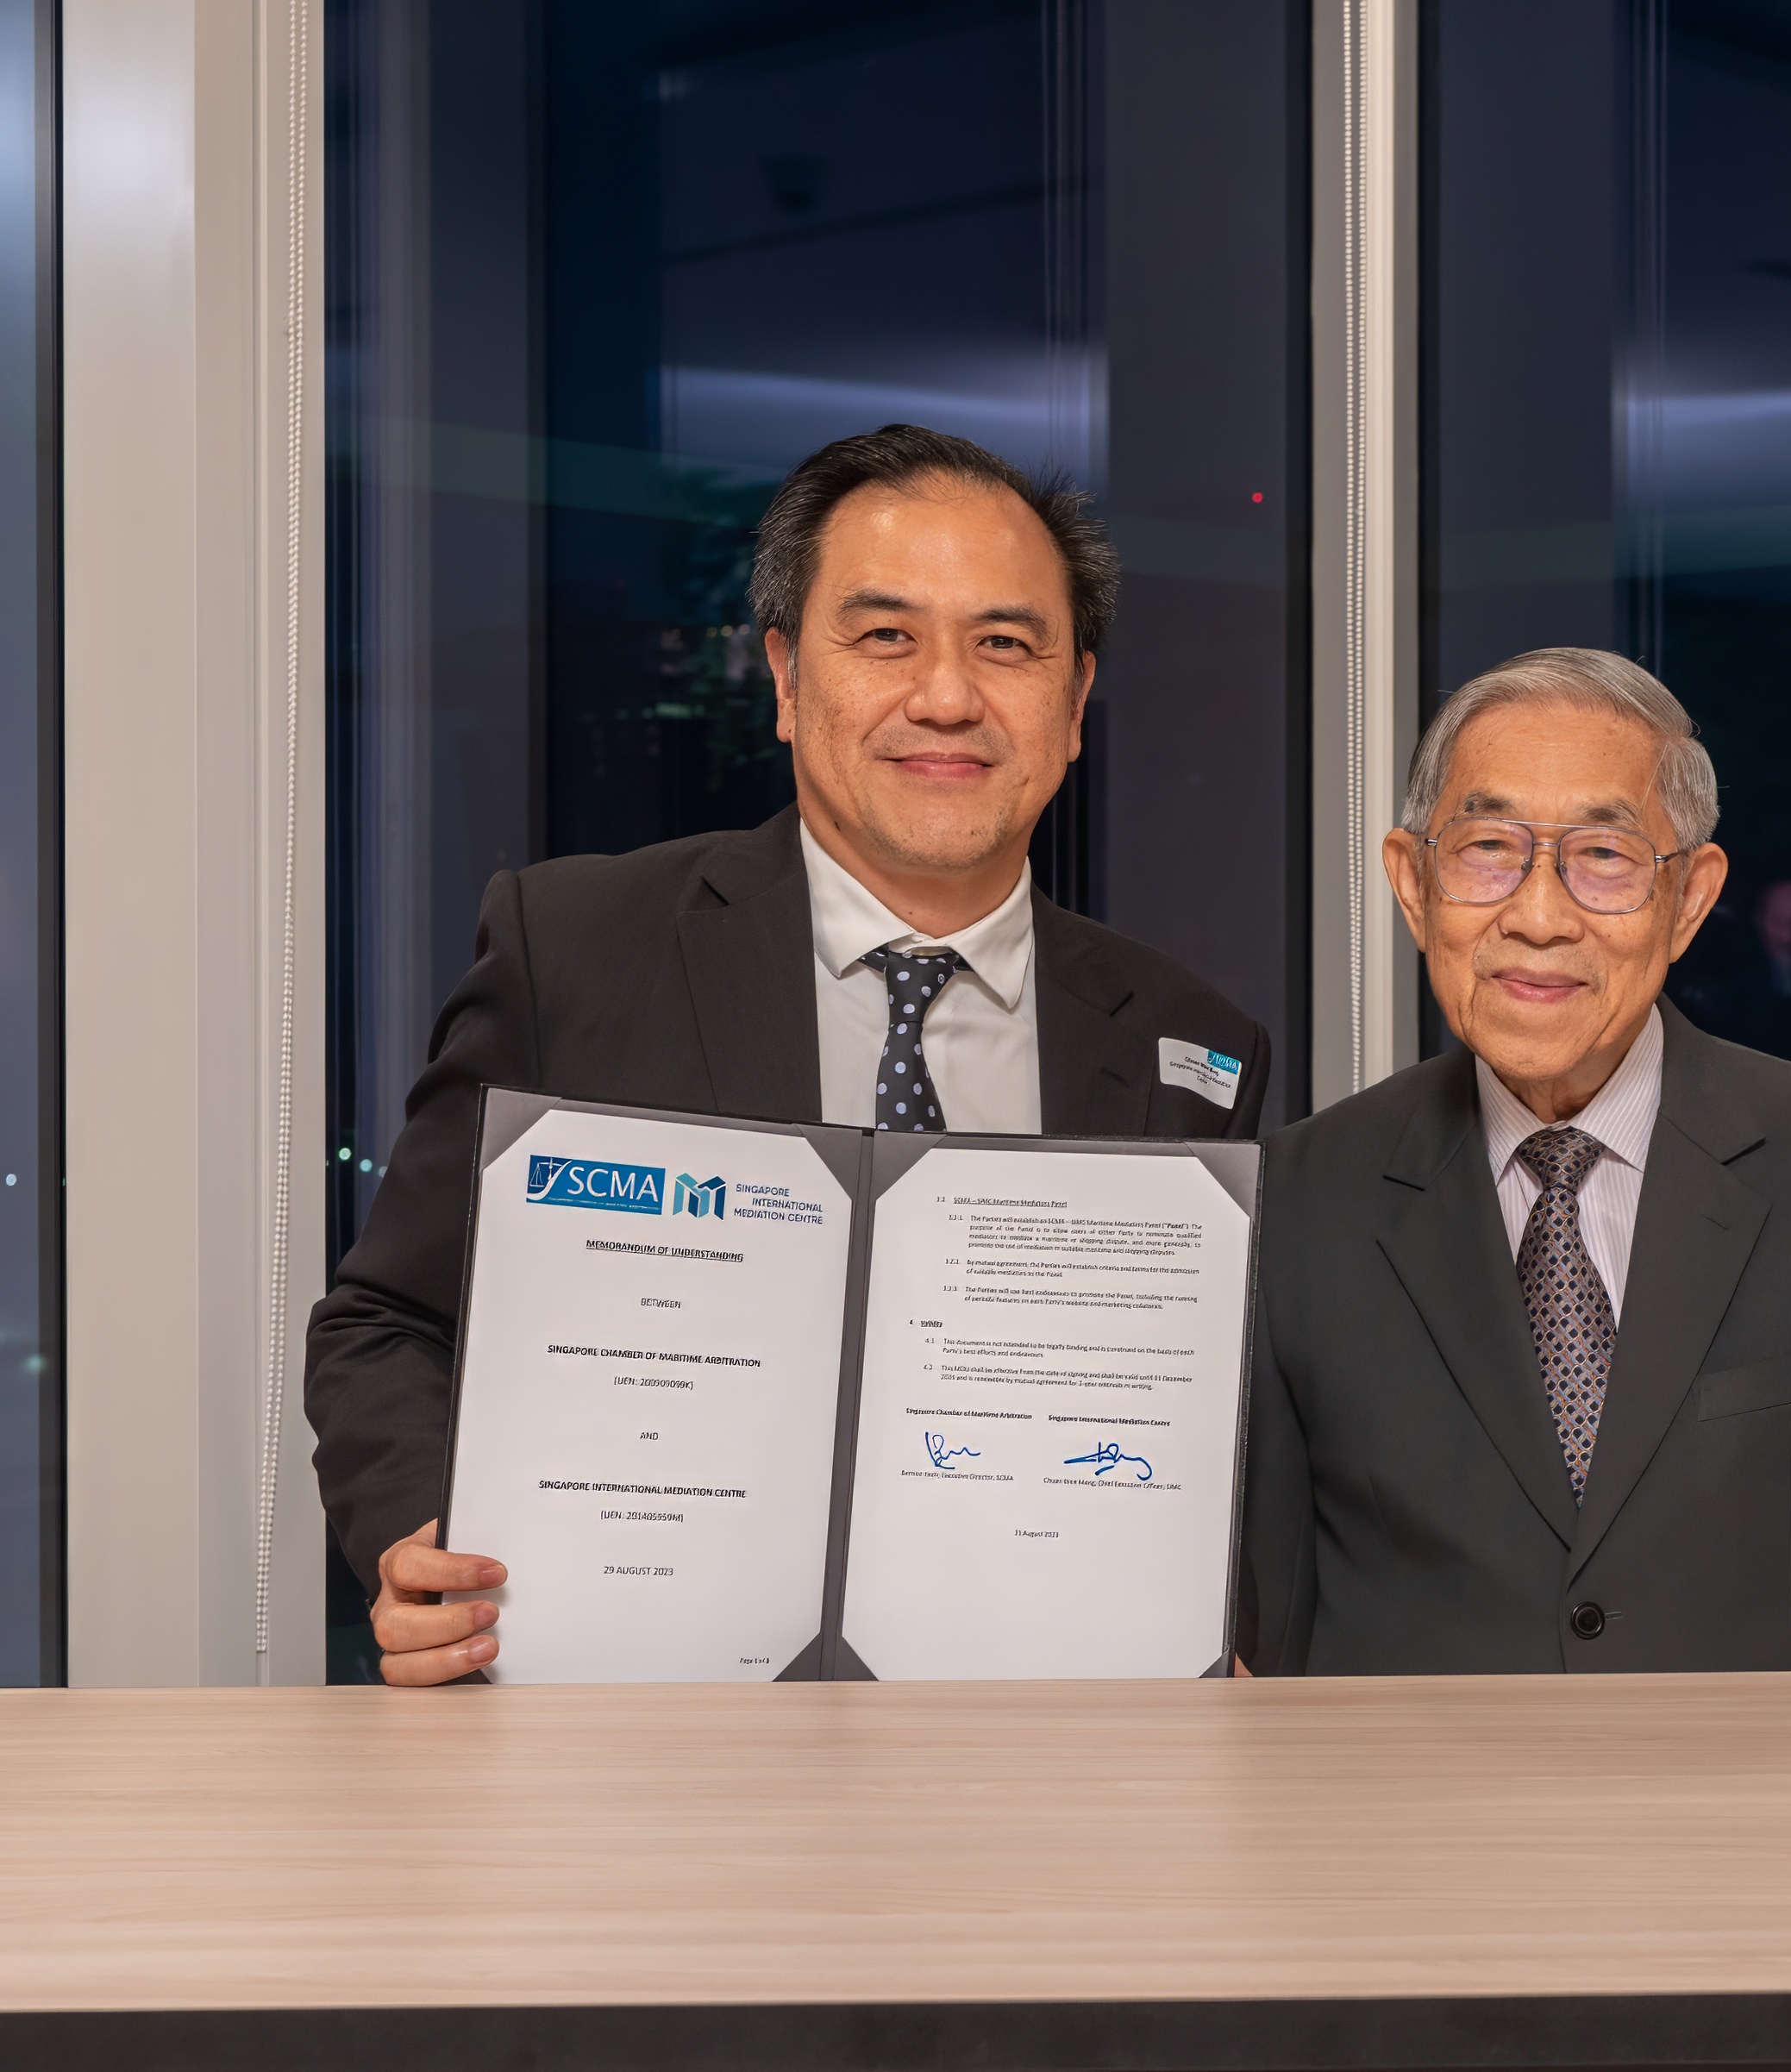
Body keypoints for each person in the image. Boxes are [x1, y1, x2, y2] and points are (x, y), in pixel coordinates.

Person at [308, 423, 1271, 1686]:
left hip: (1045, 1743)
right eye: (885, 637)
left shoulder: (1188, 1046)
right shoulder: (579, 949)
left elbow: (1229, 1429)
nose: (946, 696)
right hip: (641, 1731)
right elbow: (388, 1320)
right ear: (784, 675)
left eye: (1005, 643)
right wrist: (417, 1542)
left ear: (1075, 700)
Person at [1239, 648, 1791, 1673]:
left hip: (1768, 1779)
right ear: (1412, 884)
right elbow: (1269, 1630)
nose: (1538, 916)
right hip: (1417, 1782)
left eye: (1604, 856)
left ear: (1690, 899)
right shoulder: (1294, 1202)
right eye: (1488, 848)